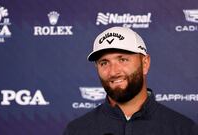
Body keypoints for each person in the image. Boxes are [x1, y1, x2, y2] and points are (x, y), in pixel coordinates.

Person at [63, 27, 198, 135]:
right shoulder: (77, 130)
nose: (113, 72)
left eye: (123, 60)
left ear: (145, 63)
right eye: (104, 63)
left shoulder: (183, 129)